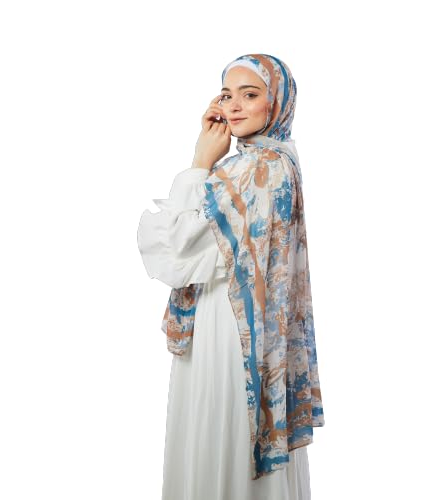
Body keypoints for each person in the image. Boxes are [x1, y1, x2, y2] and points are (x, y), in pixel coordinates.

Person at [137, 53, 324, 500]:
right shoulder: (278, 161)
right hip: (247, 323)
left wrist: (200, 160)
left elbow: (179, 245)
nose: (234, 106)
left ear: (276, 104)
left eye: (250, 94)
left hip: (230, 327)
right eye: (226, 95)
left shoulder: (256, 168)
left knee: (220, 428)